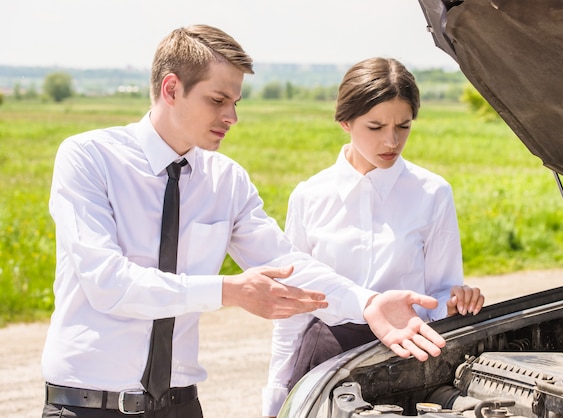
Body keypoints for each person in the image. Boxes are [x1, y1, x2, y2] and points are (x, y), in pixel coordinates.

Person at [41, 26, 449, 418]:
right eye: (218, 100)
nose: (231, 116)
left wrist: (368, 303)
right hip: (88, 406)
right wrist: (228, 291)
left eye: (236, 102)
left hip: (181, 406)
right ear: (171, 89)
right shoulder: (89, 158)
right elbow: (108, 283)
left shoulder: (226, 180)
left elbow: (288, 263)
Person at [262, 57, 485, 417]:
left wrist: (455, 302)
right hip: (324, 362)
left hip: (407, 366)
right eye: (376, 126)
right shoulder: (309, 195)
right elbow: (293, 310)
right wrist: (277, 397)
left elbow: (441, 293)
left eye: (404, 126)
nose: (392, 140)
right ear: (345, 122)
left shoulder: (433, 193)